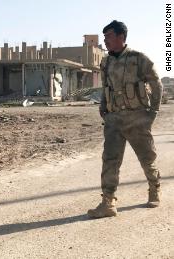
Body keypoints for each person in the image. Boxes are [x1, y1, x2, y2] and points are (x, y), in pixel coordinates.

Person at [88, 20, 164, 218]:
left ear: (121, 37)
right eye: (104, 37)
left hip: (137, 118)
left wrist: (152, 112)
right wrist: (103, 106)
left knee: (147, 158)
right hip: (113, 120)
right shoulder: (106, 62)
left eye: (109, 36)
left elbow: (157, 85)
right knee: (110, 160)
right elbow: (106, 87)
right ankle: (108, 202)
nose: (105, 40)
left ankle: (154, 188)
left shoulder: (139, 59)